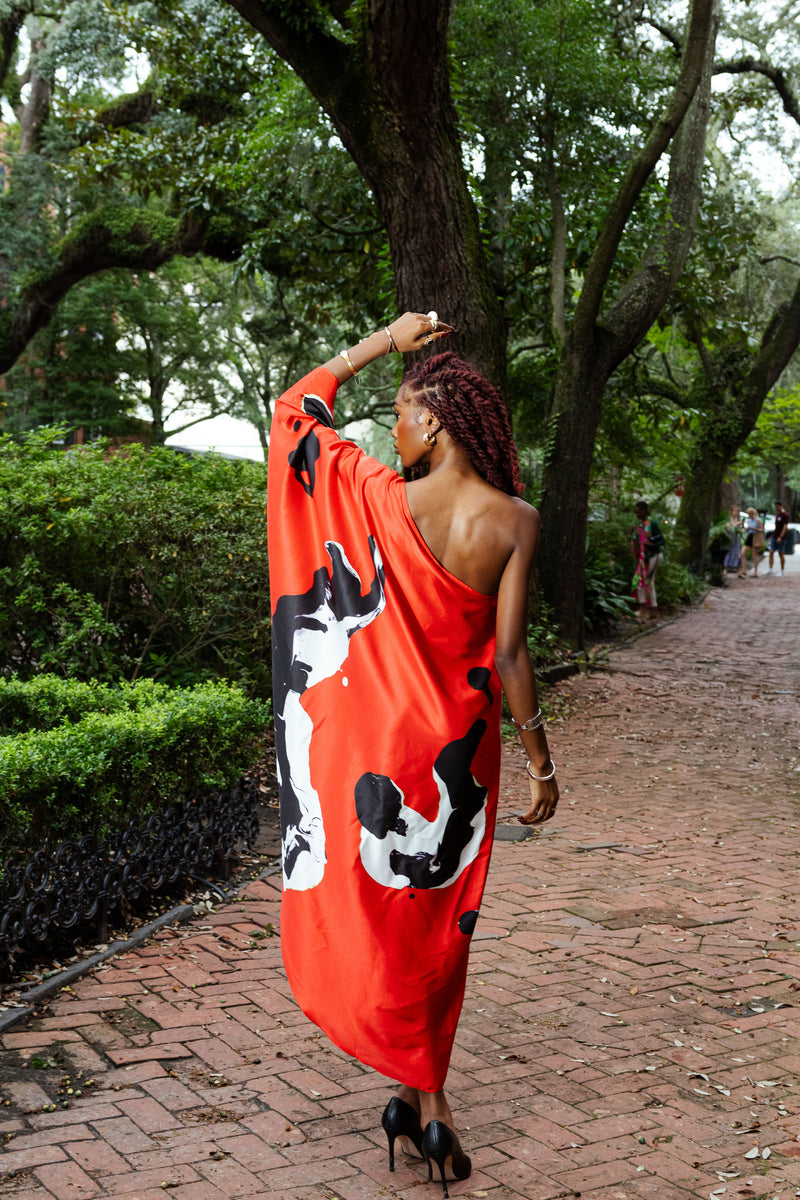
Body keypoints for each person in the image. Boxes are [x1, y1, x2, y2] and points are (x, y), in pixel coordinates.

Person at [268, 311, 558, 1196]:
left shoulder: (380, 498)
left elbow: (294, 414)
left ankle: (412, 1096)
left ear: (433, 423)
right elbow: (510, 656)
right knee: (437, 924)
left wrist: (379, 346)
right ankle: (429, 1103)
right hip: (456, 761)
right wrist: (542, 762)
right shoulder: (515, 519)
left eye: (399, 412)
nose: (390, 429)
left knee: (385, 918)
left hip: (372, 750)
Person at [631, 500, 665, 619]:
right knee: (649, 583)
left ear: (644, 510)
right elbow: (637, 542)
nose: (637, 515)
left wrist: (651, 544)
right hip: (645, 557)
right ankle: (654, 610)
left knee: (640, 581)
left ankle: (643, 609)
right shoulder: (641, 525)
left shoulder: (652, 524)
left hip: (653, 557)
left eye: (638, 512)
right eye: (635, 513)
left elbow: (662, 540)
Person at [765, 500, 789, 576]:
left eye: (777, 507)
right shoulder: (777, 514)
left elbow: (785, 527)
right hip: (774, 536)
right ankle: (770, 569)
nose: (776, 508)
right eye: (775, 507)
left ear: (781, 506)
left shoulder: (785, 515)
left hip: (781, 537)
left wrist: (781, 537)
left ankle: (782, 571)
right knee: (771, 552)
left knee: (781, 553)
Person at [742, 507, 764, 576]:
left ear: (752, 513)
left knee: (754, 556)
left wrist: (755, 529)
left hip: (756, 538)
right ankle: (744, 570)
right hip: (750, 537)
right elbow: (748, 530)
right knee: (743, 553)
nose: (749, 515)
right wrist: (744, 527)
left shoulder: (758, 520)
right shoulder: (749, 520)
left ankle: (755, 572)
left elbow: (762, 530)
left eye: (749, 514)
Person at [724, 505, 744, 576]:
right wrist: (738, 523)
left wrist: (741, 526)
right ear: (731, 511)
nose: (737, 512)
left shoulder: (738, 519)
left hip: (736, 540)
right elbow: (729, 528)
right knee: (727, 554)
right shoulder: (727, 519)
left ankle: (740, 571)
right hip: (729, 539)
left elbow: (741, 529)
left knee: (739, 555)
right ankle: (725, 570)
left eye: (738, 511)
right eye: (736, 510)